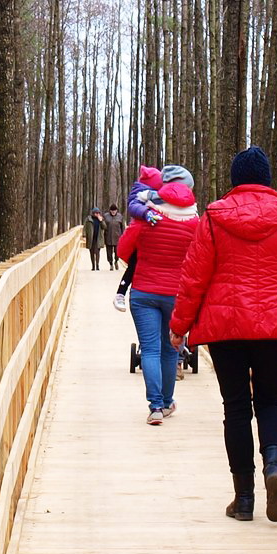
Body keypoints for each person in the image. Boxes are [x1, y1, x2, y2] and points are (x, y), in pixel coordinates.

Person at [171, 147, 277, 523]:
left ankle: (244, 499)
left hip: (226, 326)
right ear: (268, 179)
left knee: (236, 407)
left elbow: (194, 276)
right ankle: (274, 465)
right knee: (271, 402)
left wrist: (179, 326)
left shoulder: (214, 218)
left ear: (235, 180)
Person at [117, 180, 199, 424]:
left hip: (143, 292)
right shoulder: (194, 223)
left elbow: (123, 250)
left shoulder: (146, 219)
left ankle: (154, 407)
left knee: (150, 349)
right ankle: (166, 402)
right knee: (170, 348)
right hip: (175, 295)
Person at [116, 162, 194, 309]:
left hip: (144, 290)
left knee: (133, 263)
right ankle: (120, 292)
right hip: (176, 291)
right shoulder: (194, 220)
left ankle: (121, 292)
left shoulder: (148, 208)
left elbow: (123, 248)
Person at [101, 204, 123, 270]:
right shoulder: (106, 216)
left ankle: (116, 261)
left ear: (116, 210)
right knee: (109, 253)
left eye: (114, 210)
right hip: (108, 236)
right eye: (112, 210)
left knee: (117, 252)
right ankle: (110, 263)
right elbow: (103, 226)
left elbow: (122, 228)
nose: (113, 212)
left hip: (117, 237)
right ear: (110, 211)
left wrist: (123, 236)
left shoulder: (120, 217)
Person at [85, 206, 104, 270]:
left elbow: (104, 227)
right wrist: (84, 235)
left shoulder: (101, 219)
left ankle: (97, 265)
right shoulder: (88, 219)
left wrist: (101, 221)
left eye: (98, 213)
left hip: (98, 238)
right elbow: (85, 227)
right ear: (93, 213)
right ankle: (93, 265)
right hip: (91, 238)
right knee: (92, 252)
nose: (97, 214)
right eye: (96, 213)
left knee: (97, 252)